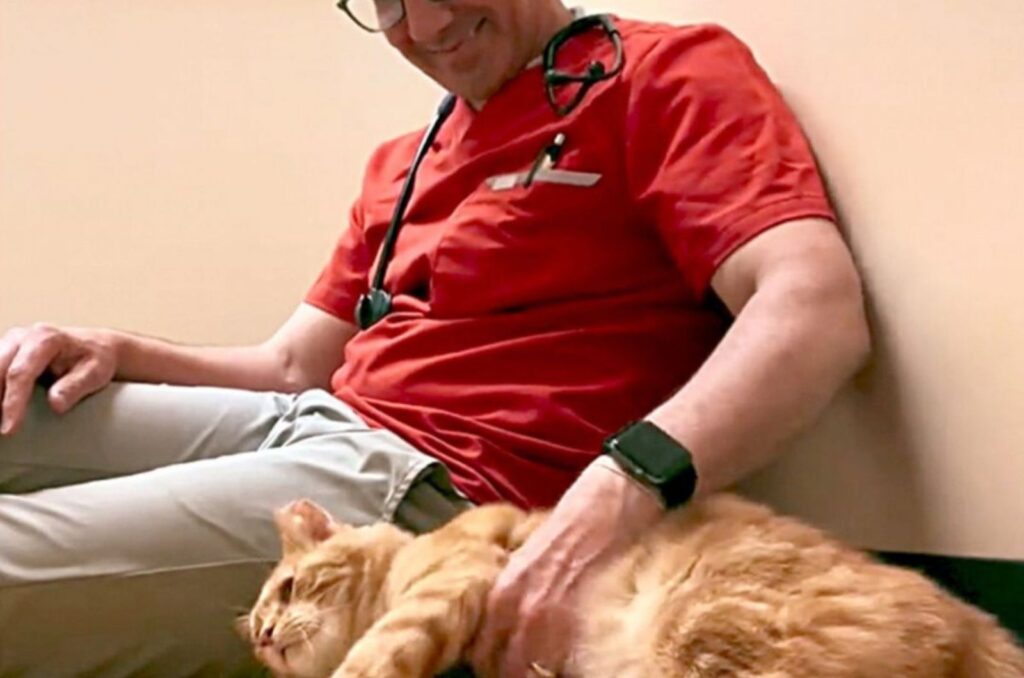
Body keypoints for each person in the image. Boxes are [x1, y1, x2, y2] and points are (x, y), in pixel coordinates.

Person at [0, 0, 871, 676]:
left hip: (425, 494)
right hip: (308, 425)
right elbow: (294, 366)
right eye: (386, 2)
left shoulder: (667, 74)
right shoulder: (406, 157)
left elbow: (813, 309)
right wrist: (115, 346)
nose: (425, 26)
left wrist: (613, 494)